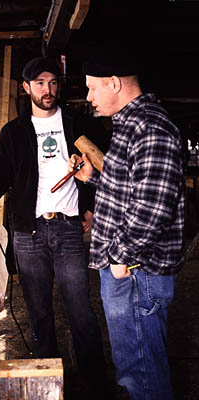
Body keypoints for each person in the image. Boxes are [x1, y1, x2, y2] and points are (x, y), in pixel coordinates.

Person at [0, 56, 110, 396]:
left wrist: (89, 207)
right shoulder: (14, 133)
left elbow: (102, 171)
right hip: (28, 233)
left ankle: (95, 385)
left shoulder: (79, 124)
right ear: (26, 88)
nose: (47, 90)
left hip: (68, 231)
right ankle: (50, 387)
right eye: (39, 84)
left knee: (81, 311)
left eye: (52, 83)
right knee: (39, 314)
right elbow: (0, 175)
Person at [69, 49, 185, 400]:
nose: (88, 97)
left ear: (114, 83)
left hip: (136, 271)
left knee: (141, 373)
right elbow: (131, 193)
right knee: (133, 366)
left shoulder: (151, 127)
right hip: (129, 268)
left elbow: (152, 209)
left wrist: (120, 258)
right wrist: (92, 179)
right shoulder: (130, 126)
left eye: (92, 88)